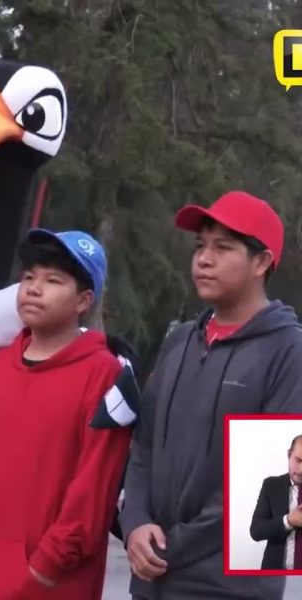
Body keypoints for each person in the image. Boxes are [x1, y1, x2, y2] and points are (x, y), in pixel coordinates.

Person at [120, 191, 302, 599]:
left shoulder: (289, 351)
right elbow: (142, 447)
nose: (203, 259)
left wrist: (168, 546)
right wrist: (135, 524)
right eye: (200, 246)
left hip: (231, 587)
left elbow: (269, 483)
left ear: (262, 262)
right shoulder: (181, 341)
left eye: (223, 248)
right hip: (153, 579)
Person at [0, 229, 132, 600]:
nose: (34, 288)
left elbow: (94, 486)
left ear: (83, 301)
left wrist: (44, 568)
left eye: (53, 280)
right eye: (29, 277)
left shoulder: (106, 374)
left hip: (51, 581)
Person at [249, 434, 302, 570]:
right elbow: (256, 531)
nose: (301, 470)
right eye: (298, 460)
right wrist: (288, 521)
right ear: (289, 454)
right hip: (274, 573)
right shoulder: (271, 485)